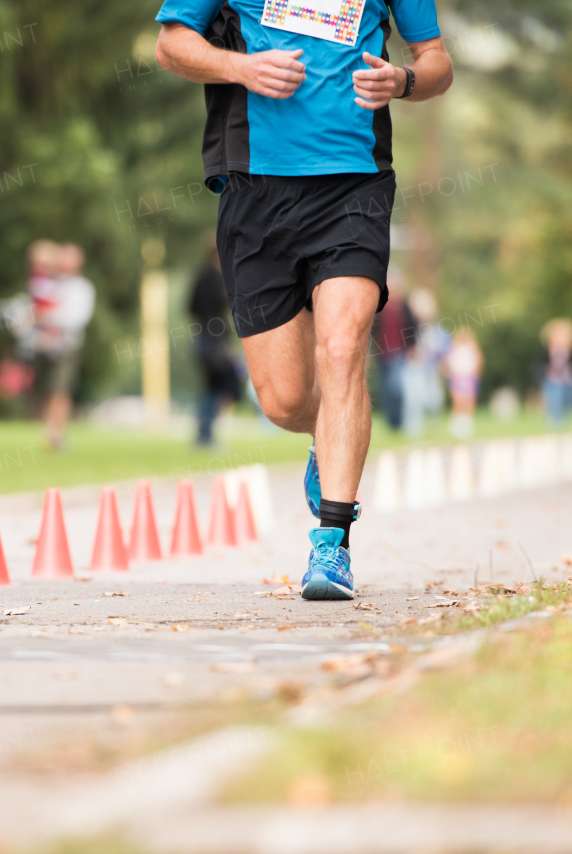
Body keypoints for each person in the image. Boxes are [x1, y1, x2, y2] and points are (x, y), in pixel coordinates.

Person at [154, 0, 452, 600]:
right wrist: (240, 69)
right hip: (253, 190)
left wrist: (404, 81)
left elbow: (437, 60)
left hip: (355, 185)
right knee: (286, 400)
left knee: (342, 350)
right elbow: (171, 44)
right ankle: (324, 434)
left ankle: (332, 544)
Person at [31, 243, 96, 450]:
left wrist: (47, 316)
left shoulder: (81, 287)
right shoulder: (49, 283)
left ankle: (56, 433)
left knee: (60, 390)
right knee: (45, 390)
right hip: (44, 344)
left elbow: (76, 318)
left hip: (66, 346)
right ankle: (48, 430)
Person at [188, 236, 241, 445]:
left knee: (211, 389)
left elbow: (190, 307)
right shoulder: (218, 279)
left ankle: (205, 433)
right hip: (214, 342)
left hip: (203, 338)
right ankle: (205, 435)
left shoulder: (199, 277)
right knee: (218, 388)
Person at [372, 268, 416, 430]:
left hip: (399, 352)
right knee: (385, 389)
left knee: (395, 387)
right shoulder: (379, 306)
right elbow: (373, 330)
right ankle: (391, 423)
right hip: (382, 353)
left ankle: (400, 420)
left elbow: (412, 327)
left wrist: (413, 347)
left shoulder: (404, 306)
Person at [401, 287, 446, 438]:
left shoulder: (435, 329)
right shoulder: (408, 328)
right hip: (414, 368)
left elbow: (443, 347)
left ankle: (433, 424)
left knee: (434, 398)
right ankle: (414, 429)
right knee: (414, 399)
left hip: (431, 368)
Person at [444, 326, 483, 438]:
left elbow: (478, 362)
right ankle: (456, 427)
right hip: (458, 377)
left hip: (469, 377)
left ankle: (467, 427)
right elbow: (449, 363)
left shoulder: (473, 348)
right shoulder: (453, 348)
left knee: (469, 403)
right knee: (458, 402)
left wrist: (475, 375)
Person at [540, 318, 572, 428]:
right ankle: (553, 420)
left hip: (566, 379)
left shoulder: (569, 351)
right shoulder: (550, 350)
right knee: (554, 399)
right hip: (553, 379)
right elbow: (547, 364)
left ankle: (565, 419)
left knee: (567, 399)